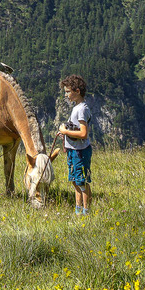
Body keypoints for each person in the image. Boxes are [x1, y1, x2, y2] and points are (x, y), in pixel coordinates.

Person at [57, 75, 92, 215]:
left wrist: (65, 131)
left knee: (81, 181)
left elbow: (84, 133)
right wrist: (66, 134)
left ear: (77, 91)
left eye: (68, 92)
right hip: (74, 150)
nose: (66, 95)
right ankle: (78, 210)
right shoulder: (77, 107)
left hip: (80, 151)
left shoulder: (82, 109)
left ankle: (86, 211)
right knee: (75, 180)